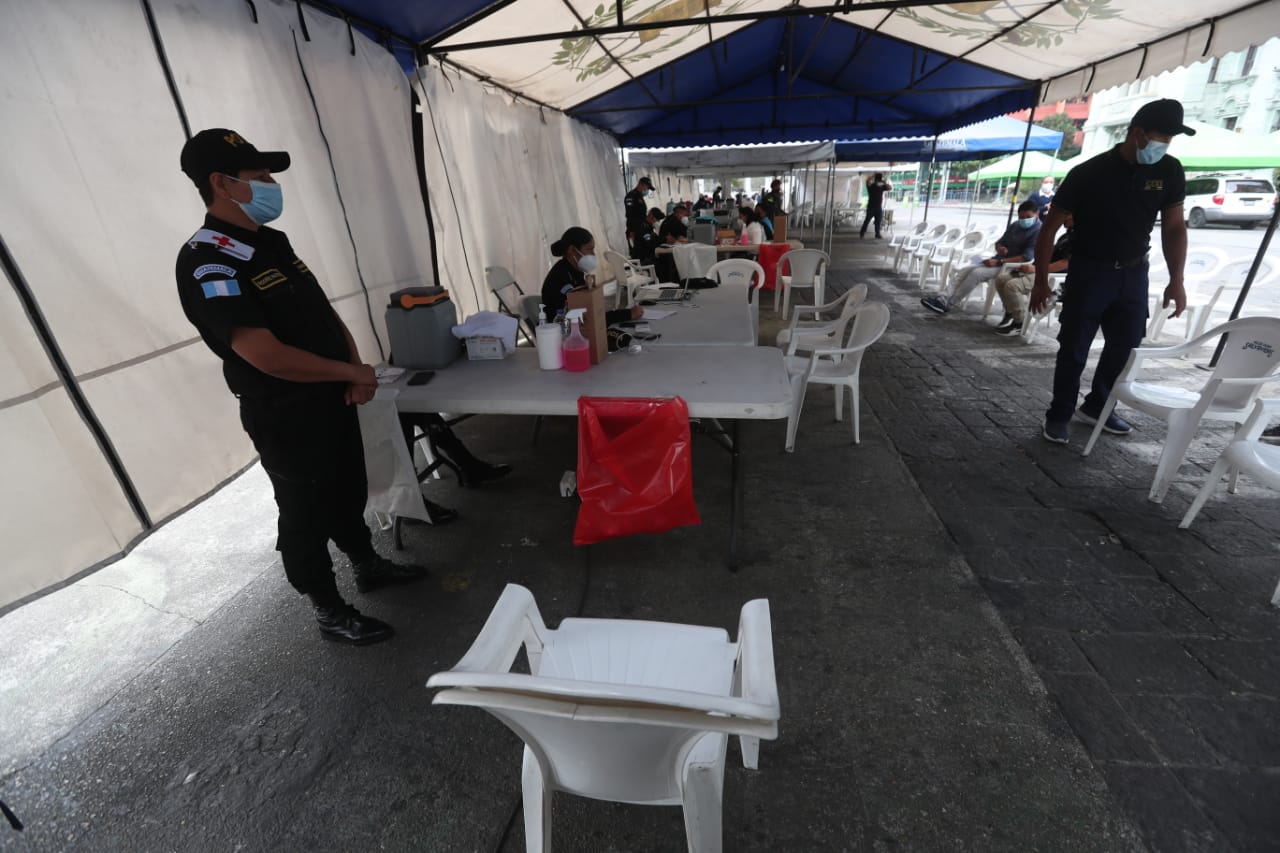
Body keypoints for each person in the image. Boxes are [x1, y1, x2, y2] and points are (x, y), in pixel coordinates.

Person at [175, 128, 426, 646]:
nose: (271, 184)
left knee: (346, 488)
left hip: (331, 395)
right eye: (259, 176)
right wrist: (349, 374)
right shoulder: (208, 259)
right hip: (284, 411)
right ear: (222, 183)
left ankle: (366, 563)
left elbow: (321, 311)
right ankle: (328, 608)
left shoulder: (270, 241)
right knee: (305, 510)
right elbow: (263, 354)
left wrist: (355, 365)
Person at [1032, 98, 1191, 445]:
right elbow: (1050, 229)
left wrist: (1176, 281)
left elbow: (1174, 227)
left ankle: (1097, 405)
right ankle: (1059, 413)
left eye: (1170, 139)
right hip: (1090, 272)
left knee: (1126, 347)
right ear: (1137, 133)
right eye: (1160, 137)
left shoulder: (1169, 171)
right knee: (1074, 347)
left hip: (1134, 274)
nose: (1164, 145)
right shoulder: (1089, 173)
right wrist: (1040, 281)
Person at [921, 201, 1041, 315]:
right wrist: (1000, 248)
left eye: (1028, 217)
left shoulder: (1038, 230)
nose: (1024, 220)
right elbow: (999, 242)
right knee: (965, 269)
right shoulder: (1015, 225)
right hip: (998, 260)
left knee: (977, 273)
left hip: (1012, 267)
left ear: (1037, 214)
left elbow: (1027, 257)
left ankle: (950, 303)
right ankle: (943, 297)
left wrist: (999, 261)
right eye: (1021, 217)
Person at [992, 214, 1073, 336]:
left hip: (1051, 275)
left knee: (1013, 285)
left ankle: (1019, 323)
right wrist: (1030, 267)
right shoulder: (1066, 235)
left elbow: (1065, 263)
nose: (1063, 219)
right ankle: (1011, 312)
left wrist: (1036, 269)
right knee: (1001, 279)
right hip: (1040, 269)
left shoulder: (1078, 237)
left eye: (1066, 217)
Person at [541, 227, 642, 324]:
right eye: (589, 249)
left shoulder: (575, 272)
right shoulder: (561, 278)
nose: (593, 254)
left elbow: (588, 312)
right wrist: (627, 315)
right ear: (571, 250)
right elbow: (584, 319)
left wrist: (626, 313)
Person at [624, 176, 653, 249]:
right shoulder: (631, 196)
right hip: (634, 230)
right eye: (647, 187)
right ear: (641, 184)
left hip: (640, 229)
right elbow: (629, 214)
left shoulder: (639, 197)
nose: (647, 190)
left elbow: (641, 214)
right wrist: (631, 230)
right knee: (636, 253)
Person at [860, 173, 892, 239]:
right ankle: (862, 232)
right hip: (871, 207)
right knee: (867, 221)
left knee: (878, 221)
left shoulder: (882, 187)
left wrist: (884, 182)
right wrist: (873, 176)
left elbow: (890, 188)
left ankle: (877, 234)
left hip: (878, 207)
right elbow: (867, 181)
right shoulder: (871, 186)